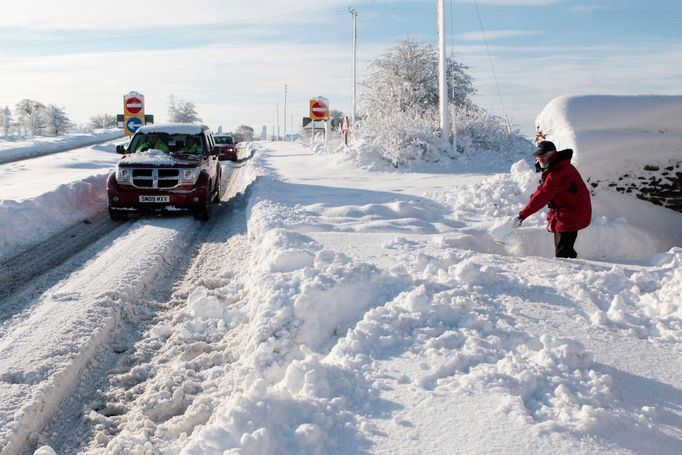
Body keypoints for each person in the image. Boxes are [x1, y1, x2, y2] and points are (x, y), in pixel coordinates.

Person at [514, 140, 592, 258]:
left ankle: (570, 273)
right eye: (539, 156)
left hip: (572, 214)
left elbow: (543, 194)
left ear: (552, 154)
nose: (540, 159)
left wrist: (522, 216)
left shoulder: (559, 171)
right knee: (566, 250)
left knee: (563, 255)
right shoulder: (556, 167)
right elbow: (544, 192)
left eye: (544, 156)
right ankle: (574, 270)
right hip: (567, 213)